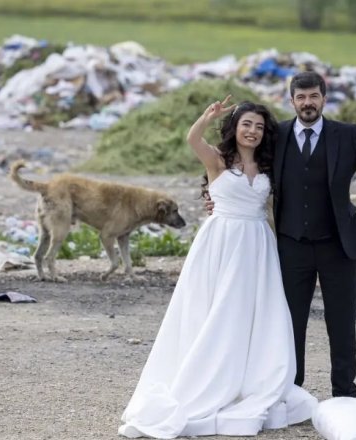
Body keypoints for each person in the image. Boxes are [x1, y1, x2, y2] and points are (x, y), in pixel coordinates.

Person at [118, 100, 317, 438]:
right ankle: (208, 376)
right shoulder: (219, 160)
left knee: (255, 312)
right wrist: (206, 117)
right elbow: (192, 140)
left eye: (258, 126)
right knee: (215, 308)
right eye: (246, 125)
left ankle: (252, 376)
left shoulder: (270, 165)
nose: (252, 131)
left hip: (257, 243)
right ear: (235, 128)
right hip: (221, 240)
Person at [207, 71, 356, 398]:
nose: (307, 103)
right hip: (291, 246)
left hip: (338, 247)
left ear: (324, 99)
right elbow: (244, 163)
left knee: (341, 325)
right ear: (292, 100)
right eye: (301, 97)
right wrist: (221, 198)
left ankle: (344, 394)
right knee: (289, 324)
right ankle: (291, 391)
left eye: (313, 97)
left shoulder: (346, 134)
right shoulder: (276, 135)